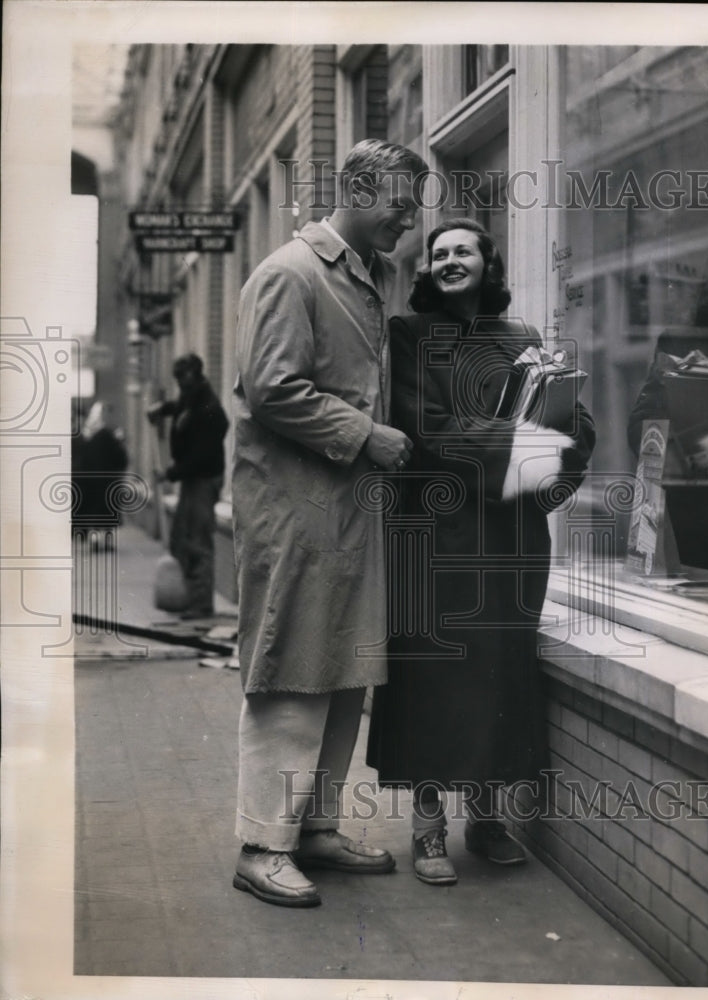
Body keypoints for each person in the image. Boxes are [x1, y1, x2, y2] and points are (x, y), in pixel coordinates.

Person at [366, 219, 596, 885]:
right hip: (435, 531)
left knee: (500, 672)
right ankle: (429, 826)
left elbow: (568, 424)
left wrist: (560, 444)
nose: (448, 260)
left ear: (487, 262)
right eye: (438, 253)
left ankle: (488, 819)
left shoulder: (521, 339)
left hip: (508, 538)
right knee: (434, 676)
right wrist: (520, 449)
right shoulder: (406, 337)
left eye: (462, 250)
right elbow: (425, 425)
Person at [231, 139, 428, 907]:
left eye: (415, 209)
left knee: (343, 673)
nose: (408, 223)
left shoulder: (370, 278)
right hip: (295, 514)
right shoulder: (290, 273)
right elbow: (271, 387)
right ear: (354, 188)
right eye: (398, 204)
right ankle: (260, 843)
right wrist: (364, 435)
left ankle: (313, 828)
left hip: (348, 512)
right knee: (290, 673)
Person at [146, 353, 229, 619]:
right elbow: (182, 408)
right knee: (183, 538)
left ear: (195, 375)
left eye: (183, 378)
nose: (180, 384)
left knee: (198, 539)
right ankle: (188, 596)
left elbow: (202, 454)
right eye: (177, 379)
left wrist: (170, 474)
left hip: (203, 479)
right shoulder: (191, 397)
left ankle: (201, 604)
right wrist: (163, 409)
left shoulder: (209, 406)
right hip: (193, 479)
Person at [71, 400, 128, 548]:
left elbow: (82, 461)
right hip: (108, 482)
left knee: (95, 514)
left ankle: (95, 540)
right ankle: (107, 541)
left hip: (92, 483)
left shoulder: (88, 437)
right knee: (108, 514)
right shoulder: (111, 436)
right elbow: (121, 459)